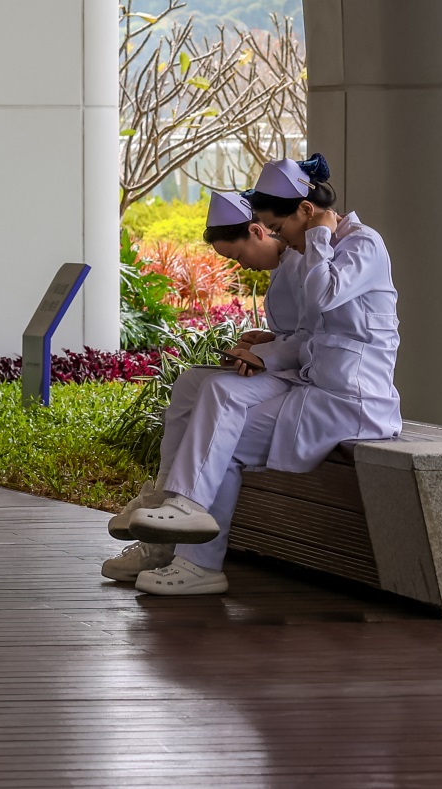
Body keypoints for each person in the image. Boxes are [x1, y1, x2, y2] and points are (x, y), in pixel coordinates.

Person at [117, 154, 401, 596]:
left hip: (353, 402)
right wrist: (267, 348)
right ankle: (192, 552)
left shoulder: (362, 245)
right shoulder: (315, 252)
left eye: (281, 227)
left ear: (306, 212)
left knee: (220, 408)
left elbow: (324, 298)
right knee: (217, 428)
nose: (280, 238)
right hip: (317, 391)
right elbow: (313, 338)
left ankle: (183, 527)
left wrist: (320, 234)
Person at [101, 190, 303, 585]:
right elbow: (296, 334)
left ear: (259, 231)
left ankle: (187, 541)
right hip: (283, 368)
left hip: (302, 379)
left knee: (218, 400)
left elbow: (320, 339)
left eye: (239, 257)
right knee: (192, 381)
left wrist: (270, 354)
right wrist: (263, 342)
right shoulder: (283, 265)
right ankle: (163, 502)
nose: (242, 265)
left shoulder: (306, 264)